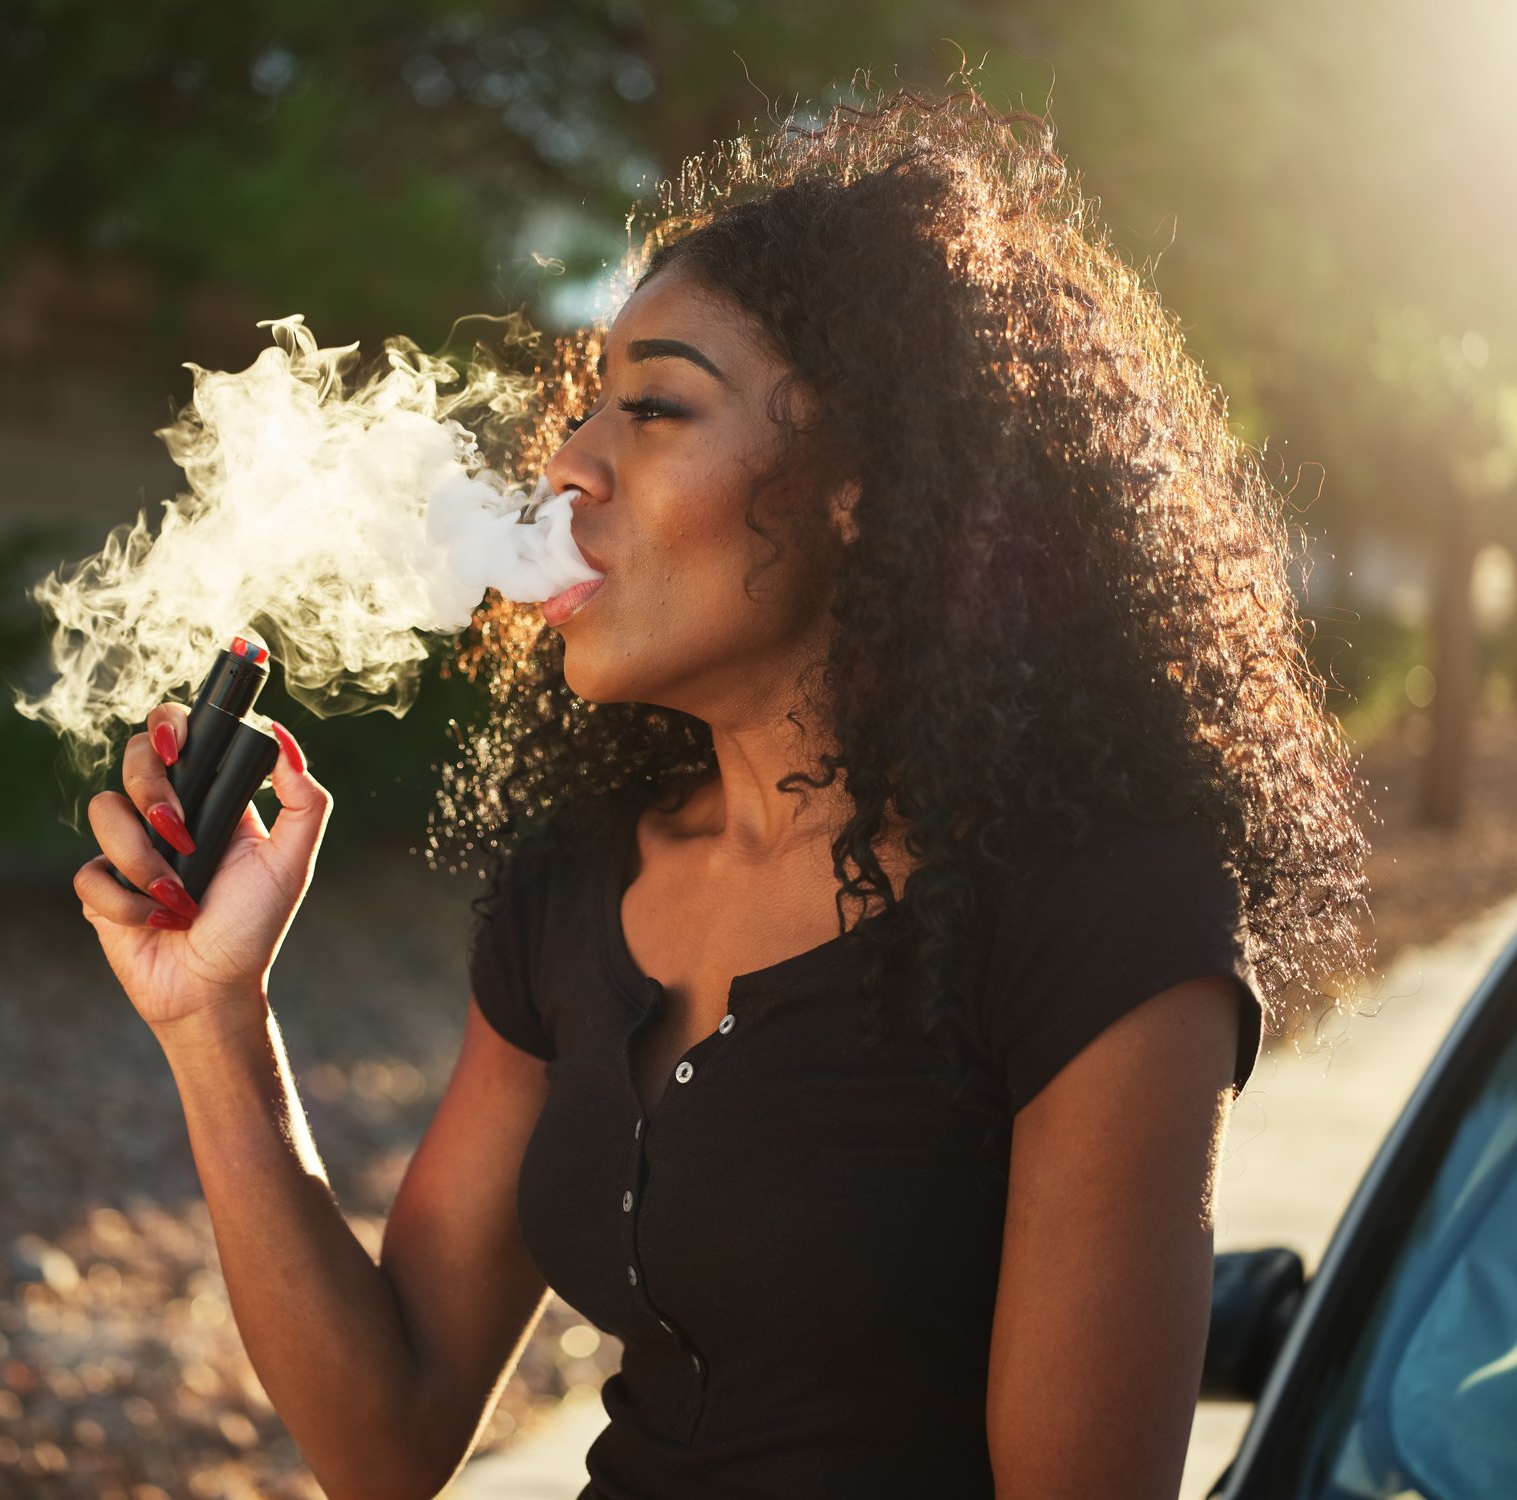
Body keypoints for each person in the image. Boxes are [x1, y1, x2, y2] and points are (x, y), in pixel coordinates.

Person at [73, 81, 1374, 1500]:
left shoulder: (1102, 920)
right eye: (587, 409)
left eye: (655, 409)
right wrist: (215, 1020)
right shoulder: (576, 877)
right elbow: (388, 1437)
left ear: (859, 481)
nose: (569, 468)